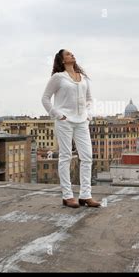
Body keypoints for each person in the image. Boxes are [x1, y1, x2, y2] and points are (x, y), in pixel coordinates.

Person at [41, 49, 101, 208]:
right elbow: (45, 98)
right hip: (65, 121)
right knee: (66, 156)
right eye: (68, 54)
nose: (72, 55)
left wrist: (89, 114)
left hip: (82, 122)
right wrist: (57, 114)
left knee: (87, 157)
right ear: (61, 60)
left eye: (72, 53)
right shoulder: (58, 77)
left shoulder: (83, 78)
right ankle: (67, 196)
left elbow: (89, 99)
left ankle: (85, 195)